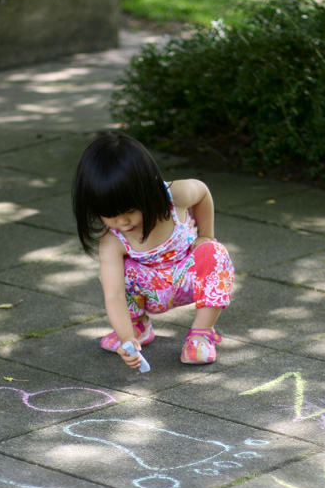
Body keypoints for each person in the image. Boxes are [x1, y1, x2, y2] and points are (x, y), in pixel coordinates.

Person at [72, 133, 234, 368]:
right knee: (114, 273)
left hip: (188, 279)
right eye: (110, 215)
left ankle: (201, 333)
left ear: (148, 190)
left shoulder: (174, 196)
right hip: (150, 292)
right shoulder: (113, 241)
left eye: (129, 211)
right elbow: (114, 295)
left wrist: (206, 235)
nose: (123, 222)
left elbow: (202, 192)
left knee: (214, 252)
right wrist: (126, 338)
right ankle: (138, 327)